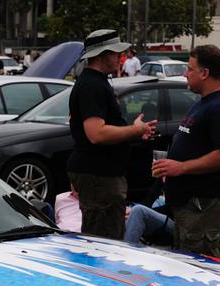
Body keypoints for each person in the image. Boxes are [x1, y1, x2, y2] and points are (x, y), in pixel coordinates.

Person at [67, 29, 157, 239]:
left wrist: (134, 134)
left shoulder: (95, 82)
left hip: (102, 175)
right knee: (103, 241)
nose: (121, 57)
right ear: (101, 55)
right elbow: (96, 134)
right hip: (100, 177)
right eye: (116, 53)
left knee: (106, 234)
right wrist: (135, 130)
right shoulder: (92, 85)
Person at [152, 45, 220, 258]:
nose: (185, 74)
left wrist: (181, 167)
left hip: (204, 203)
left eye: (190, 69)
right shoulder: (204, 103)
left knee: (198, 263)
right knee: (184, 259)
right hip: (188, 204)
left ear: (204, 73)